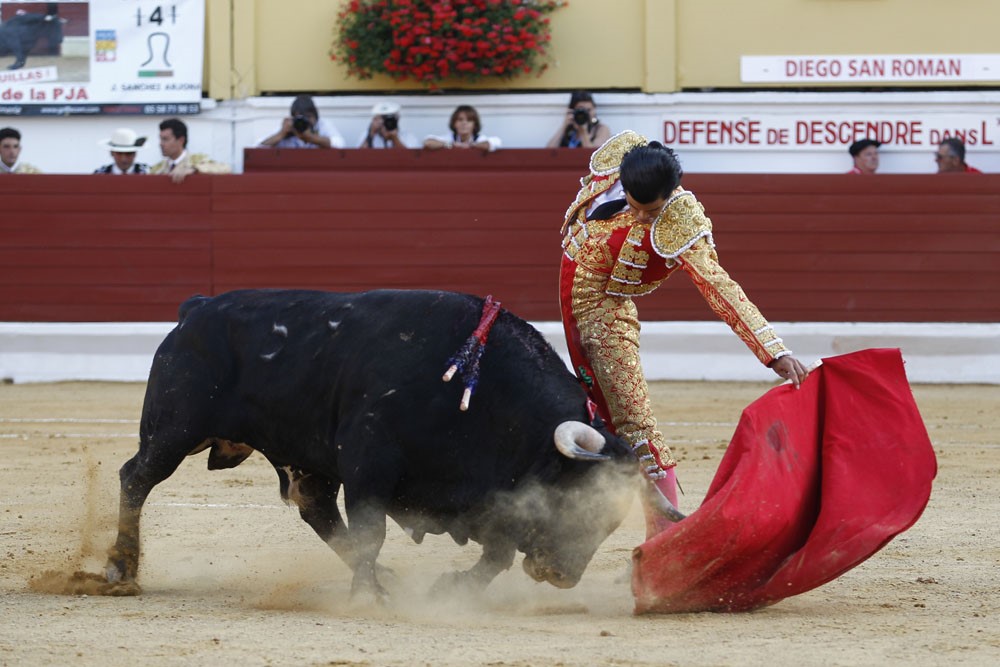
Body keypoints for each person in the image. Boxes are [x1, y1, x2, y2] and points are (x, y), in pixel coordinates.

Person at [558, 130, 809, 536]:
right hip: (573, 312)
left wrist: (772, 351)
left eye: (651, 211)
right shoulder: (619, 161)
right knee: (587, 412)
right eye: (637, 208)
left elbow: (719, 286)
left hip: (605, 320)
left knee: (634, 425)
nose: (642, 217)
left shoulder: (680, 219)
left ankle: (665, 540)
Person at [150, 118, 230, 183]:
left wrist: (194, 169)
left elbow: (226, 169)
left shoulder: (197, 160)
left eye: (165, 139)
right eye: (161, 139)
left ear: (181, 140)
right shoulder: (157, 168)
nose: (161, 144)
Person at [258, 94, 344, 149]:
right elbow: (256, 149)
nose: (305, 121)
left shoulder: (322, 125)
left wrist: (311, 138)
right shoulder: (289, 127)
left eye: (308, 117)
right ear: (293, 118)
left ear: (316, 117)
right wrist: (281, 134)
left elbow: (340, 145)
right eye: (300, 117)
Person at [0, 5, 63, 70]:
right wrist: (45, 17)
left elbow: (32, 18)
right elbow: (32, 17)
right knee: (16, 45)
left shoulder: (17, 23)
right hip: (6, 39)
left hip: (10, 37)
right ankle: (20, 62)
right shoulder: (14, 25)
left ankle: (20, 62)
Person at [546, 91, 612, 149]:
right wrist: (564, 126)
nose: (585, 114)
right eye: (581, 110)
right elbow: (548, 153)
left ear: (594, 110)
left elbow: (594, 157)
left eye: (588, 110)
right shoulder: (569, 131)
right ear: (573, 110)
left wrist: (583, 132)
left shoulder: (601, 129)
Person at [422, 105, 502, 153]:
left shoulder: (480, 139)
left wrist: (471, 145)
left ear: (474, 124)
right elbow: (428, 142)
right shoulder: (449, 139)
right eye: (460, 120)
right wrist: (451, 145)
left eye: (469, 120)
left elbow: (495, 142)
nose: (464, 123)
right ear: (454, 123)